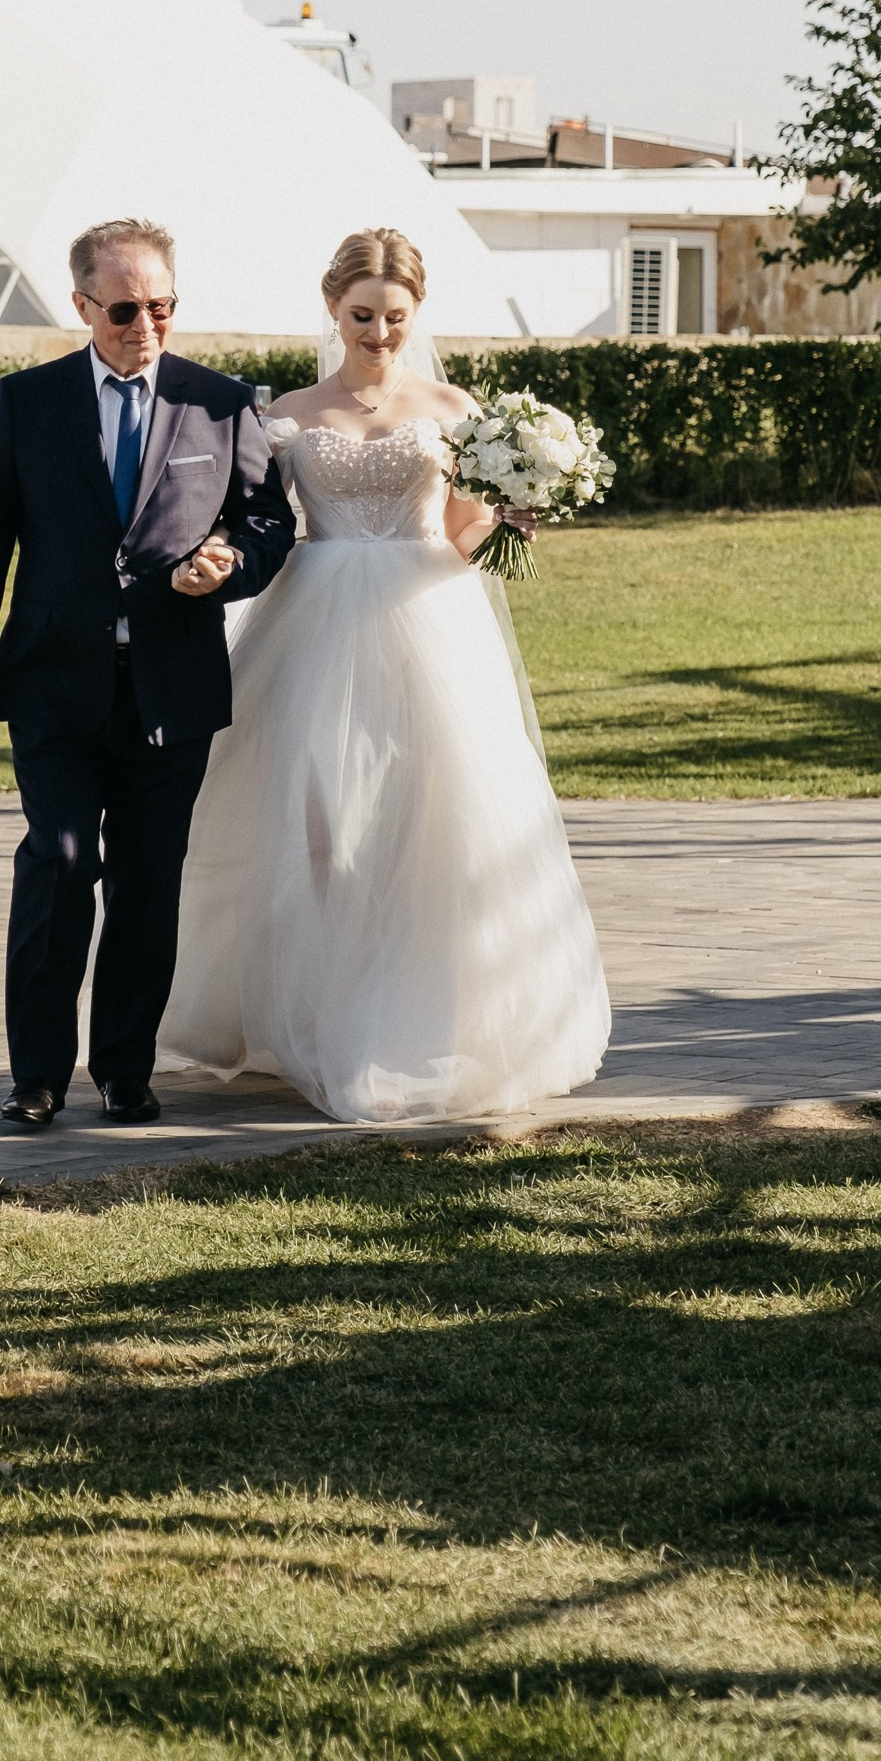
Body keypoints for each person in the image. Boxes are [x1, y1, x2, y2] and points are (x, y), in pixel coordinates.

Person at [160, 227, 611, 1123]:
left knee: (435, 824)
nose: (378, 334)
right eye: (361, 316)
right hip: (313, 622)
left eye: (394, 318)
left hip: (428, 621)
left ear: (417, 313)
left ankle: (412, 1023)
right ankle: (317, 1019)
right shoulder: (286, 414)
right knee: (316, 832)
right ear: (332, 309)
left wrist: (513, 511)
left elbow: (457, 533)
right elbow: (253, 521)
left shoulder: (452, 407)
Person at [0, 218, 295, 1129]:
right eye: (126, 309)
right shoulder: (29, 402)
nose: (146, 326)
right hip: (53, 685)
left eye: (163, 308)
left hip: (171, 690)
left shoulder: (220, 403)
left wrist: (226, 563)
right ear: (83, 306)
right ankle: (36, 1076)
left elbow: (265, 522)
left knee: (148, 880)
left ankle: (124, 1069)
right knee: (59, 867)